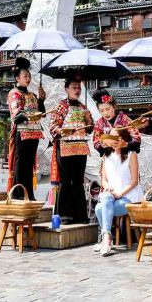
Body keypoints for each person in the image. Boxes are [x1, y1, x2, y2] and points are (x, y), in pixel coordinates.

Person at [50, 77, 92, 224]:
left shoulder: (83, 107)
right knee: (66, 181)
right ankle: (65, 215)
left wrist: (88, 120)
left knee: (79, 181)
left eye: (79, 87)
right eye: (74, 87)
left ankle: (80, 215)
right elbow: (53, 126)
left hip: (81, 147)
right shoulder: (61, 106)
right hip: (66, 147)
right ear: (66, 89)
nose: (77, 90)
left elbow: (90, 129)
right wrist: (62, 131)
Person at [94, 128, 142, 256]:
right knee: (104, 200)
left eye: (117, 138)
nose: (114, 141)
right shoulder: (106, 155)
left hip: (129, 196)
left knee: (100, 208)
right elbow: (103, 180)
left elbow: (134, 181)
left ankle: (105, 239)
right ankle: (107, 238)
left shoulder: (131, 154)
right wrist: (108, 187)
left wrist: (120, 193)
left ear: (123, 139)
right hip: (111, 195)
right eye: (112, 138)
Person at [6, 58, 45, 200]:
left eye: (29, 76)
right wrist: (29, 115)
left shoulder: (33, 95)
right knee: (21, 163)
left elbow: (41, 112)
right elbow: (17, 115)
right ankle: (18, 193)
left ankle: (29, 194)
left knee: (29, 165)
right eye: (25, 76)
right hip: (21, 132)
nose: (28, 78)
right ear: (17, 78)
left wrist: (41, 99)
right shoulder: (14, 93)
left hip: (34, 133)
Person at [91, 88, 140, 156]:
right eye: (102, 111)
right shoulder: (99, 123)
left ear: (114, 107)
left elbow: (137, 138)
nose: (105, 113)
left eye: (108, 109)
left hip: (125, 154)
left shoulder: (125, 119)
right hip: (109, 156)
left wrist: (125, 144)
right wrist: (102, 145)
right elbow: (96, 142)